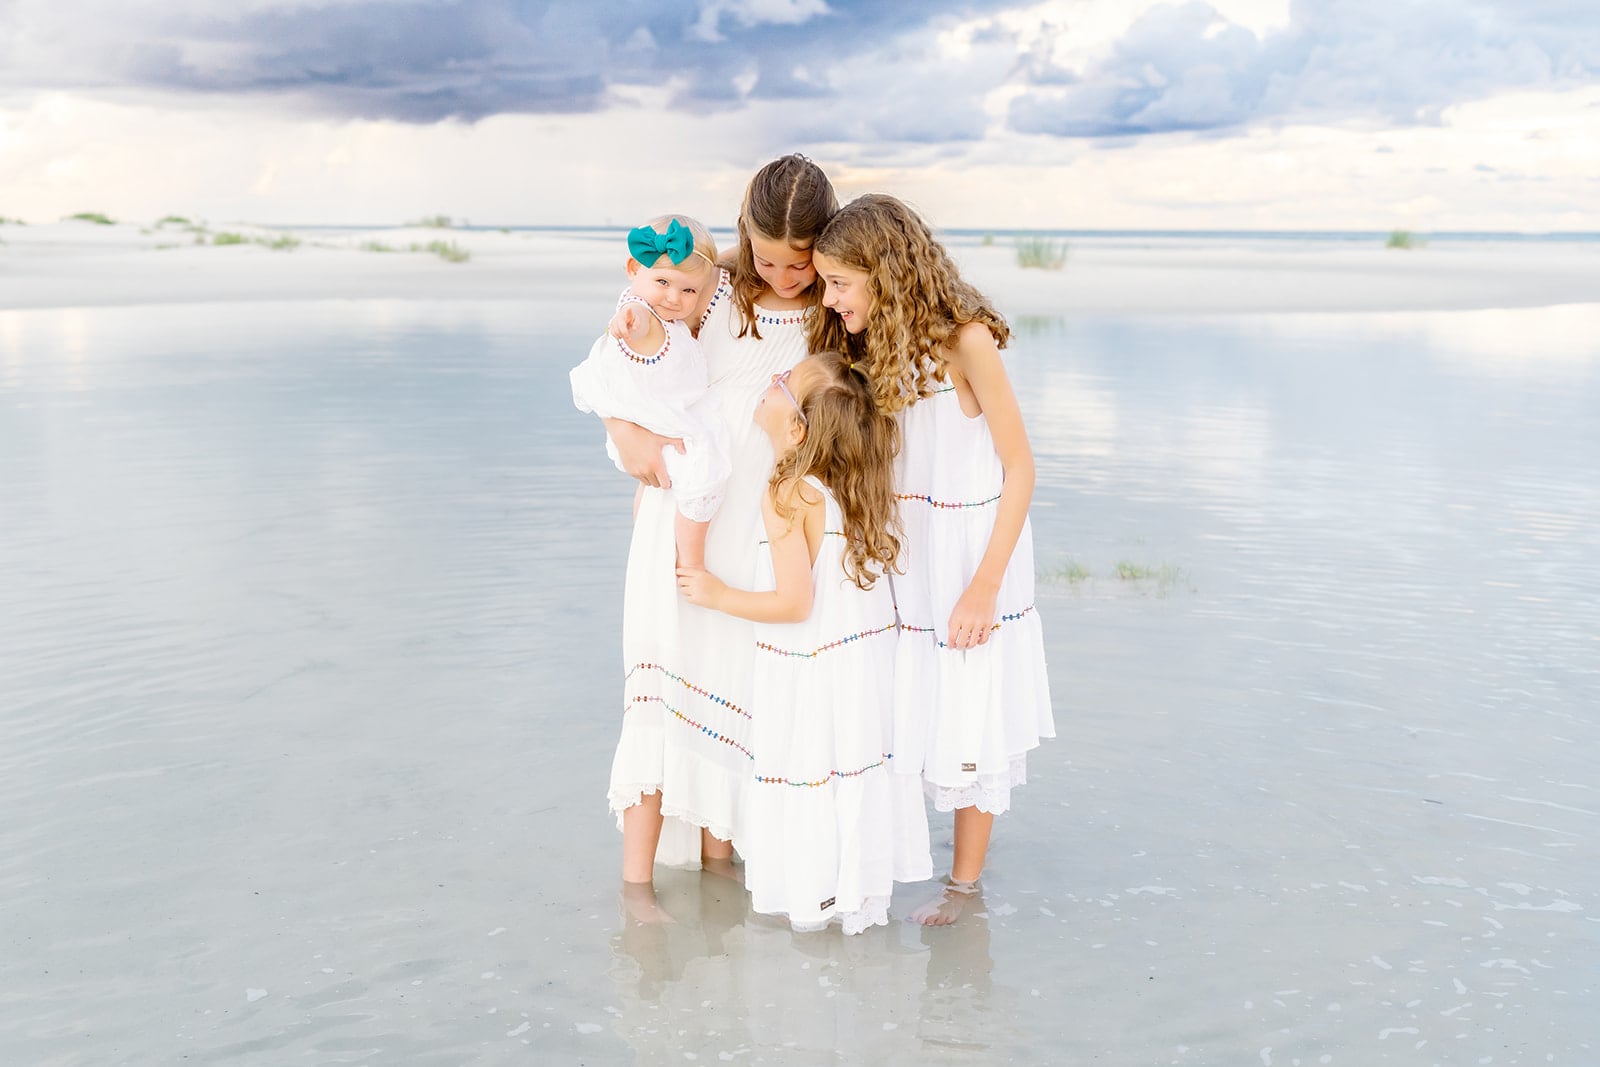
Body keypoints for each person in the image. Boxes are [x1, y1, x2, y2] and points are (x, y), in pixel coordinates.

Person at [600, 155, 839, 914]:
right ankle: (636, 892)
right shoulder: (715, 285)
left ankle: (719, 876)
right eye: (767, 257)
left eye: (798, 263)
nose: (783, 273)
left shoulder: (830, 307)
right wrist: (623, 434)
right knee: (661, 690)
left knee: (734, 693)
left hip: (761, 527)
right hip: (688, 512)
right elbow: (634, 359)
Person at [808, 193, 1055, 926]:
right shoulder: (866, 347)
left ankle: (963, 889)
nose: (829, 297)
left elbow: (1021, 468)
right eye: (824, 282)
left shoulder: (967, 342)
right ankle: (880, 862)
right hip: (907, 556)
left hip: (972, 556)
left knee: (969, 715)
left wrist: (984, 585)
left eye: (839, 282)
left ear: (883, 272)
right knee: (896, 710)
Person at [676, 352, 932, 933]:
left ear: (797, 429)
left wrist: (716, 594)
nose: (771, 379)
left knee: (810, 773)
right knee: (850, 775)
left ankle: (811, 905)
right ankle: (855, 901)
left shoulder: (790, 491)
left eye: (782, 384)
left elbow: (794, 604)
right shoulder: (856, 485)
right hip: (862, 671)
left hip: (812, 669)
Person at [571, 214, 728, 569]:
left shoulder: (657, 308)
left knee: (655, 488)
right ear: (633, 268)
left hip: (660, 416)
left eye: (689, 290)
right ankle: (690, 561)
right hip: (662, 422)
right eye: (663, 281)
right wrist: (629, 323)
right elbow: (636, 319)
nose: (674, 298)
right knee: (705, 474)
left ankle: (644, 539)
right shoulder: (641, 314)